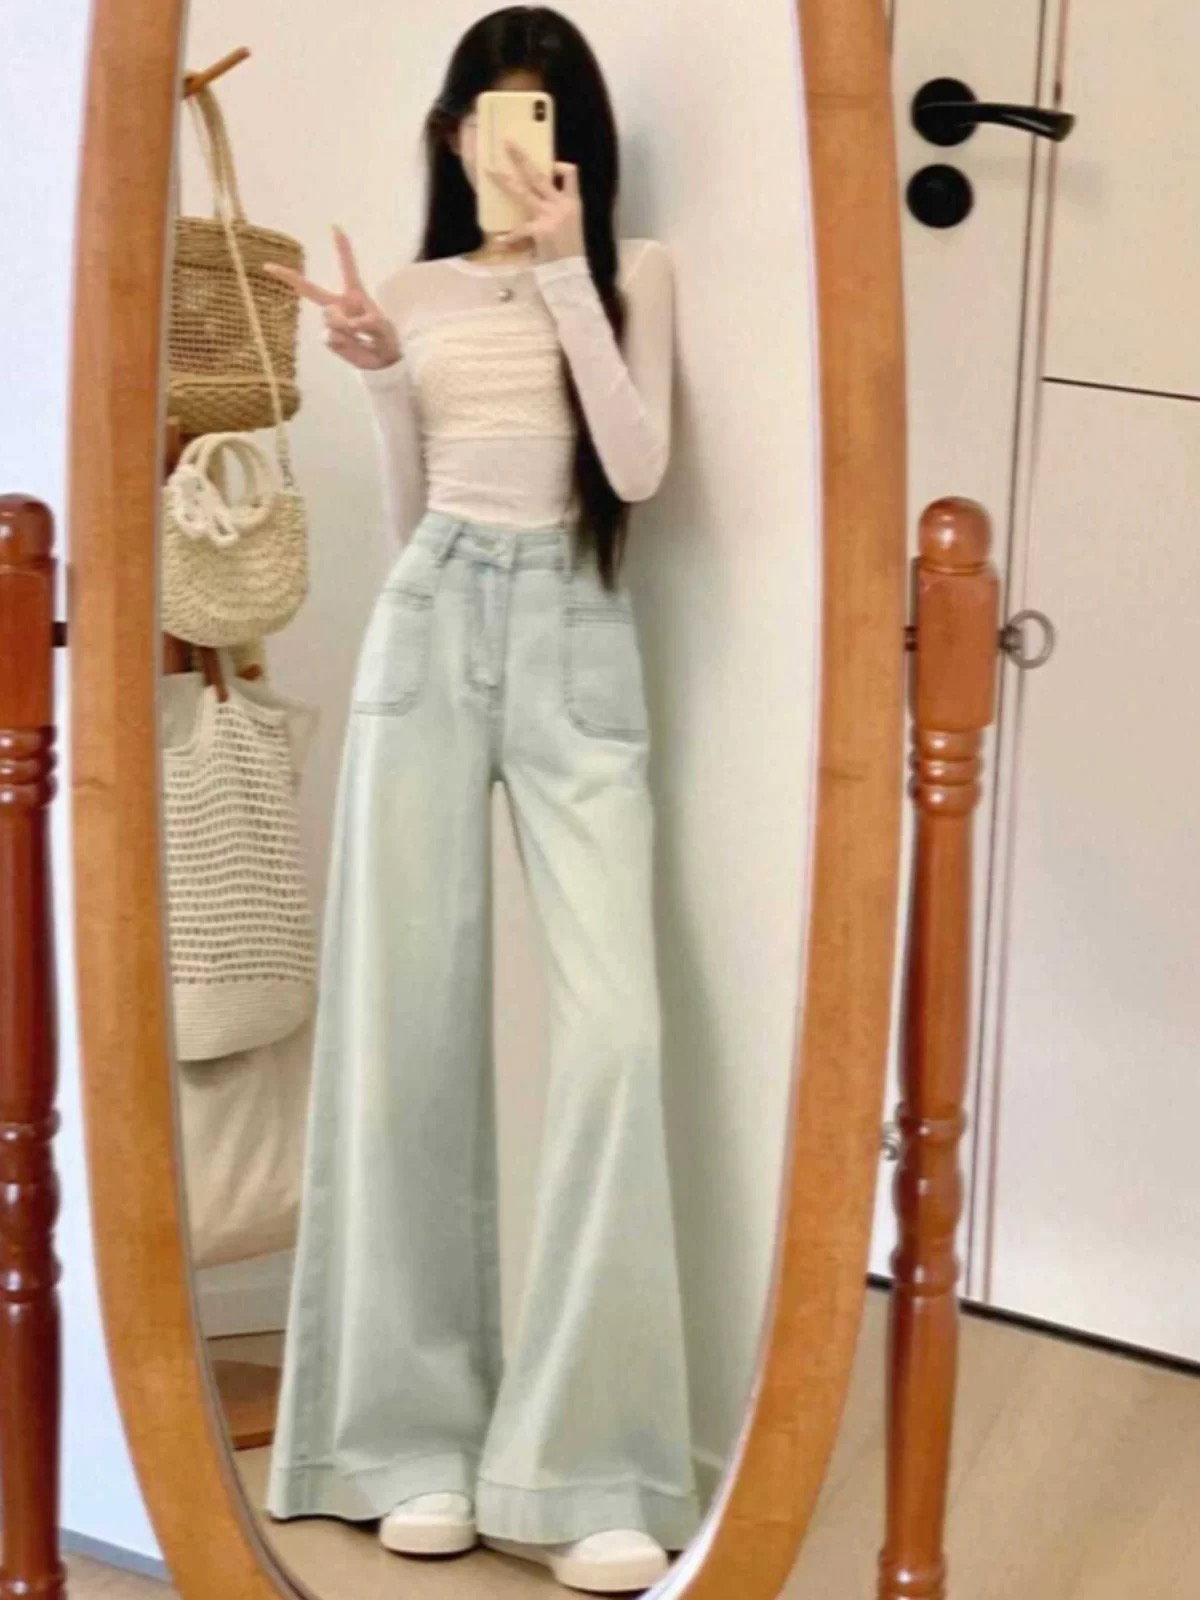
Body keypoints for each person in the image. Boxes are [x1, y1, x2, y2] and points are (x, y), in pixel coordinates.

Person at [263, 8, 699, 1591]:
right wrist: (383, 378)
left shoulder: (633, 271)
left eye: (542, 116)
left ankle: (588, 1461)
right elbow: (410, 519)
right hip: (434, 613)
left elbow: (636, 470)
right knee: (405, 1028)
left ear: (575, 142)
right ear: (453, 135)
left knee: (618, 1035)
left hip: (577, 628)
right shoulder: (416, 289)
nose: (511, 146)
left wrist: (571, 271)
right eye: (488, 117)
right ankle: (403, 1441)